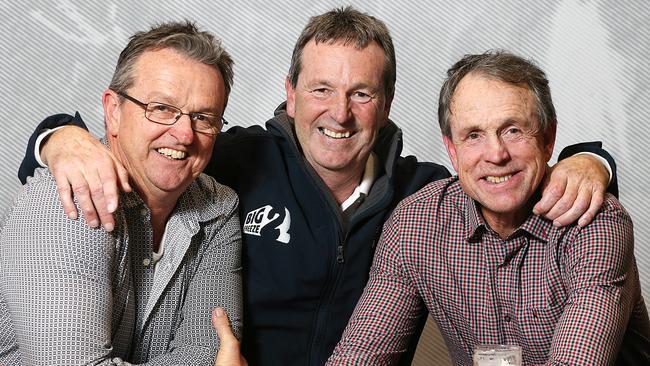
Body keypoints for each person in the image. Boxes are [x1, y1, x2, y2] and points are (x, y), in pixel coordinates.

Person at [17, 8, 617, 365]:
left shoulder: (422, 198)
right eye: (322, 89)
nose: (340, 113)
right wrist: (57, 136)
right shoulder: (232, 161)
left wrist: (591, 160)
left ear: (384, 106)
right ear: (291, 93)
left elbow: (507, 173)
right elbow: (152, 145)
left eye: (362, 93)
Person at [327, 51, 650, 365]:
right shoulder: (417, 223)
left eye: (513, 130)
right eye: (473, 135)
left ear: (548, 137)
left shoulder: (594, 220)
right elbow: (361, 354)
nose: (496, 155)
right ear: (452, 150)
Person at [0, 21, 242, 365]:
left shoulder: (218, 208)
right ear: (113, 111)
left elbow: (208, 352)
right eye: (162, 109)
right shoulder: (66, 197)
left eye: (203, 117)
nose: (185, 134)